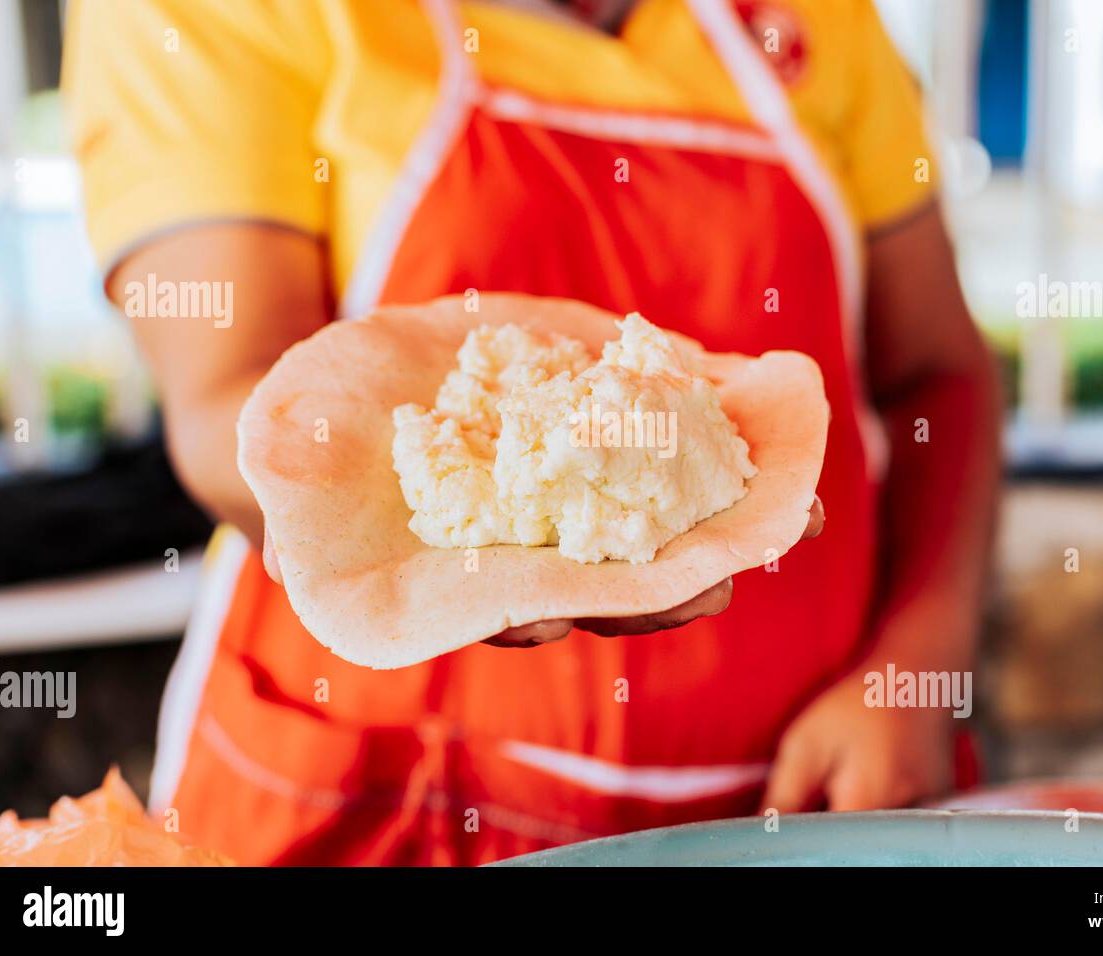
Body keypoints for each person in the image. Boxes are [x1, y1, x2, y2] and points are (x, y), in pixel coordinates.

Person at [63, 0, 1000, 865]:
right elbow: (229, 404)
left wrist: (911, 672)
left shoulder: (820, 20)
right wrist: (459, 546)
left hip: (798, 800)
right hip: (388, 807)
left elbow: (939, 375)